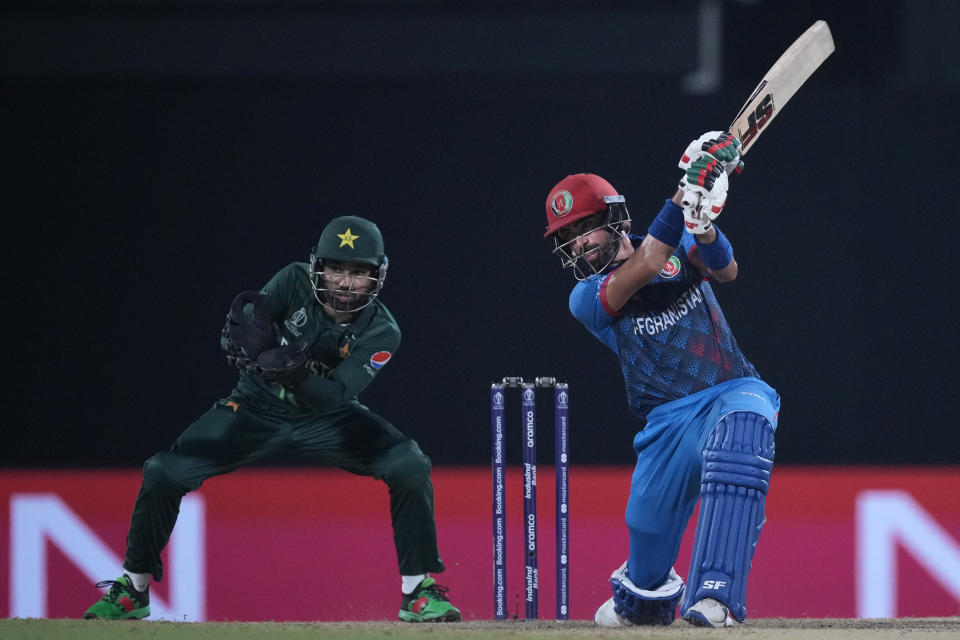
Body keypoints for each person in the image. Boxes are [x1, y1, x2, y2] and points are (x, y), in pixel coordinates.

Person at [83, 215, 462, 623]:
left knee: (408, 464)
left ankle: (417, 593)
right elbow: (246, 326)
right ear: (318, 267)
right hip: (253, 408)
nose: (345, 283)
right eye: (336, 268)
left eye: (358, 272)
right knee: (163, 471)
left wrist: (292, 371)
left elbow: (334, 394)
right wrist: (242, 340)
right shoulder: (292, 280)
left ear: (377, 276)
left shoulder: (383, 331)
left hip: (329, 417)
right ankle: (132, 590)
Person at [542, 132, 780, 628]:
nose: (580, 242)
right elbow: (649, 261)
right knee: (645, 586)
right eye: (569, 237)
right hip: (666, 425)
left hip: (730, 391)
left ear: (613, 218)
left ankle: (717, 596)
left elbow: (728, 270)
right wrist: (683, 190)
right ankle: (642, 594)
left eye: (585, 227)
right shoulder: (586, 298)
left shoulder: (681, 241)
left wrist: (704, 224)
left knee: (745, 431)